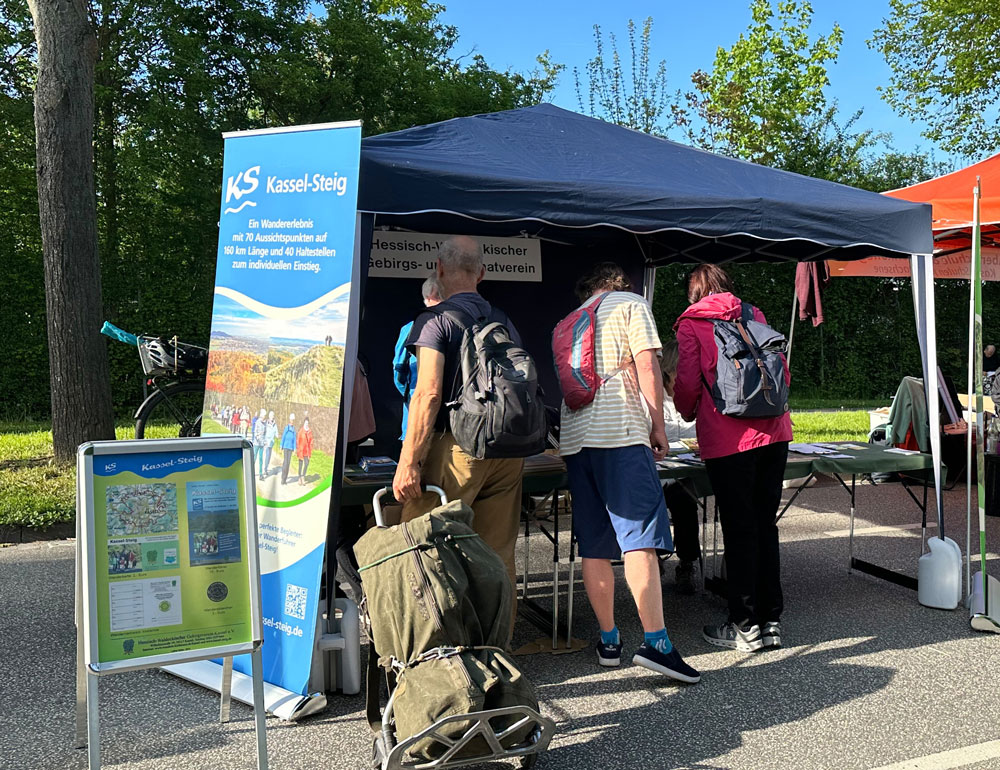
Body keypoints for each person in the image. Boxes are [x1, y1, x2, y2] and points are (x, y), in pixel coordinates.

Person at [558, 261, 701, 683]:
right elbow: (648, 366)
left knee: (594, 544)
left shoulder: (568, 321)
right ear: (619, 283)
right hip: (619, 430)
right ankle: (657, 644)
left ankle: (609, 641)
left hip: (575, 438)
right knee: (640, 537)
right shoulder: (630, 304)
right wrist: (657, 426)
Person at [391, 236, 525, 594]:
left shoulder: (433, 321)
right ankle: (497, 630)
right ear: (481, 273)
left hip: (457, 451)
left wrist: (409, 462)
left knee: (424, 548)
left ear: (439, 268)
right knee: (497, 556)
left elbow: (428, 393)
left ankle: (434, 631)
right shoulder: (503, 319)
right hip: (506, 451)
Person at [673, 264, 792, 652]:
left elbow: (687, 383)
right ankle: (770, 621)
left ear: (695, 292)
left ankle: (743, 625)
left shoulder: (692, 323)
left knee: (739, 529)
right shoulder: (753, 314)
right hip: (774, 431)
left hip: (727, 438)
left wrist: (687, 412)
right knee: (765, 526)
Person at [659, 337, 701, 594]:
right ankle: (654, 557)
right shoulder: (650, 395)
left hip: (685, 471)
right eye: (679, 373)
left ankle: (687, 563)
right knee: (650, 502)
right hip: (655, 471)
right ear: (667, 372)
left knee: (686, 502)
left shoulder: (696, 394)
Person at [393, 275, 444, 440]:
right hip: (455, 424)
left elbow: (399, 372)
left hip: (418, 416)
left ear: (427, 297)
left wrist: (413, 396)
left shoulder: (410, 329)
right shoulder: (465, 327)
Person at [280, 413, 297, 485]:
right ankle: (283, 478)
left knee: (288, 463)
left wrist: (295, 448)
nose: (292, 421)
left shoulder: (294, 430)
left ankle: (285, 479)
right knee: (285, 463)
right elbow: (283, 437)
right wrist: (281, 446)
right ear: (289, 420)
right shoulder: (286, 428)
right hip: (286, 447)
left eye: (293, 420)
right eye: (291, 420)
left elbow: (294, 440)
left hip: (290, 448)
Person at [296, 418, 314, 485]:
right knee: (300, 464)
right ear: (304, 423)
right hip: (301, 450)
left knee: (306, 463)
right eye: (305, 423)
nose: (306, 424)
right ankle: (299, 477)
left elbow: (311, 441)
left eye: (307, 423)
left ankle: (303, 476)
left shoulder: (310, 431)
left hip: (307, 451)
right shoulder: (301, 431)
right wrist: (298, 449)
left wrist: (310, 450)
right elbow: (298, 440)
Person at [252, 408, 268, 481]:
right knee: (254, 457)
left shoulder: (265, 423)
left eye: (265, 415)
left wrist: (265, 441)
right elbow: (255, 432)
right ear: (261, 415)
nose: (264, 417)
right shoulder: (257, 422)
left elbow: (265, 433)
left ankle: (261, 474)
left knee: (261, 458)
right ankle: (251, 471)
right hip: (256, 443)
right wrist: (258, 437)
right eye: (263, 415)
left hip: (262, 444)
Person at [263, 410, 278, 477]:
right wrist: (264, 440)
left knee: (269, 457)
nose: (272, 417)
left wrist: (277, 435)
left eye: (273, 415)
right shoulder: (266, 423)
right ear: (269, 416)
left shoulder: (275, 424)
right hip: (266, 442)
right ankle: (265, 469)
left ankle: (266, 467)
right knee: (267, 455)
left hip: (271, 442)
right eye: (271, 415)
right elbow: (264, 431)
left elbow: (276, 432)